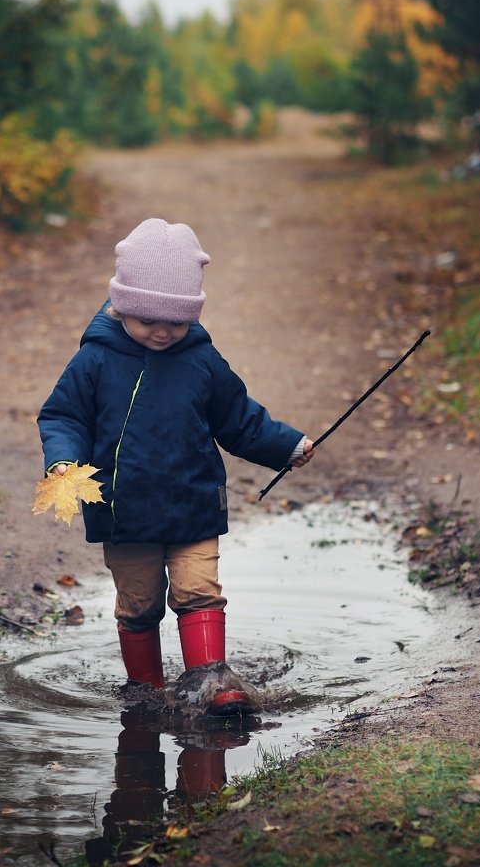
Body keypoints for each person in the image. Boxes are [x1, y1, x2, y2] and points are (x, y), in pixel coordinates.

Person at [37, 218, 315, 714]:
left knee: (199, 592)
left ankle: (212, 686)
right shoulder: (95, 360)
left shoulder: (201, 360)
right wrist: (62, 461)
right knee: (139, 604)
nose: (163, 332)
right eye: (149, 321)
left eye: (178, 322)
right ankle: (146, 692)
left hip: (193, 505)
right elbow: (64, 416)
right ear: (122, 306)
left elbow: (238, 418)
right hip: (125, 513)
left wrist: (286, 446)